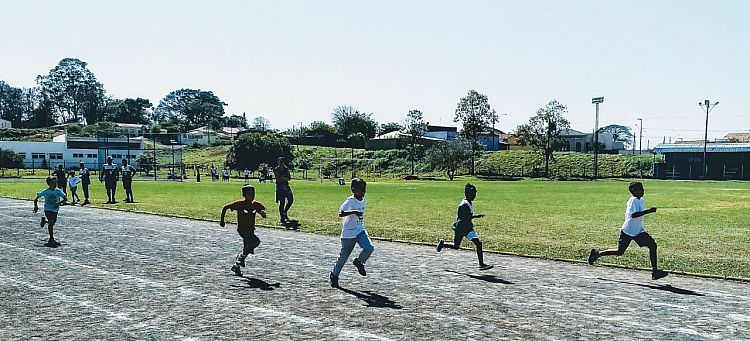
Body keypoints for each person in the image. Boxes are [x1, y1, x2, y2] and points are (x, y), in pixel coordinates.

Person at [588, 182, 668, 280]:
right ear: (633, 191)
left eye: (643, 189)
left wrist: (648, 211)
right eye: (640, 189)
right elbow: (633, 215)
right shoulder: (633, 200)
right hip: (628, 230)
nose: (643, 190)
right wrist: (649, 211)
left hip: (638, 231)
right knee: (619, 252)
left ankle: (655, 271)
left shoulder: (641, 200)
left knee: (652, 245)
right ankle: (597, 254)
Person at [329, 178, 374, 288]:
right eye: (360, 189)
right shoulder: (350, 201)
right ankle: (334, 275)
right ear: (353, 190)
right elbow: (340, 213)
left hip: (360, 230)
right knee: (344, 257)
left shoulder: (364, 200)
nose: (363, 191)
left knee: (369, 248)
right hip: (349, 234)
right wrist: (353, 212)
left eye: (364, 188)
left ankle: (359, 262)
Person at [436, 183, 493, 270]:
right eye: (473, 194)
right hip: (461, 228)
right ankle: (443, 244)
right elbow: (464, 218)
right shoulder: (464, 205)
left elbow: (467, 217)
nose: (474, 196)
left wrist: (474, 218)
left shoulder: (469, 202)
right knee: (456, 246)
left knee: (478, 244)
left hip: (468, 228)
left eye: (475, 194)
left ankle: (481, 264)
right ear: (467, 194)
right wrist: (476, 216)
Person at [220, 185, 268, 276]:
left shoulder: (255, 204)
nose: (251, 196)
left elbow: (261, 210)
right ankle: (240, 258)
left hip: (251, 230)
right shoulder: (239, 204)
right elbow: (225, 207)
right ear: (244, 194)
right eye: (249, 194)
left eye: (253, 194)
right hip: (242, 229)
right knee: (256, 242)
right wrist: (222, 220)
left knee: (248, 249)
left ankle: (236, 265)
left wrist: (263, 213)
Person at [34, 177, 67, 247]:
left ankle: (45, 221)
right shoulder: (46, 191)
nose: (55, 184)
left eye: (56, 183)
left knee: (52, 223)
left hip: (55, 210)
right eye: (53, 183)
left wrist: (58, 204)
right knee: (51, 222)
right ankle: (51, 238)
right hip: (48, 209)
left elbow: (65, 199)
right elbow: (36, 198)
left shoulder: (58, 191)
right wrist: (36, 206)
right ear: (49, 184)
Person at [274, 157, 294, 223]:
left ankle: (285, 212)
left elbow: (289, 178)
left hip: (286, 186)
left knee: (291, 200)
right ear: (278, 162)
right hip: (280, 187)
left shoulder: (286, 169)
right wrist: (284, 178)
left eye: (282, 162)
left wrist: (283, 177)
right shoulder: (276, 169)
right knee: (282, 202)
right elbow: (278, 179)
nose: (281, 163)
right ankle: (282, 217)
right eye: (280, 162)